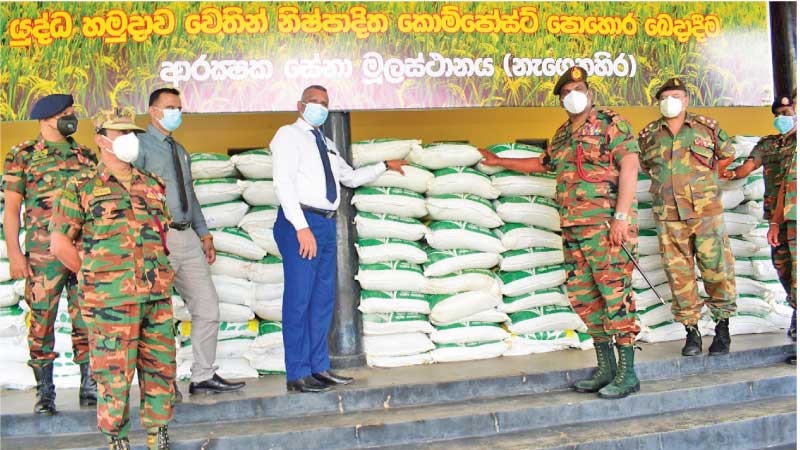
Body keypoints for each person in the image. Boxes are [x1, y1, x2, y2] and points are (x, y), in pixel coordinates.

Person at [479, 66, 641, 399]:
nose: (572, 95)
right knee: (584, 297)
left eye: (578, 88)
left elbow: (630, 164)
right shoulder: (563, 134)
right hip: (574, 229)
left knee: (615, 296)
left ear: (590, 91)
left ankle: (628, 373)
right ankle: (606, 367)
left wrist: (621, 218)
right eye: (565, 92)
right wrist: (500, 162)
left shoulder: (612, 124)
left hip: (606, 227)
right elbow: (542, 164)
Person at [50, 108, 175, 450]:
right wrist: (92, 274)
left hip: (155, 295)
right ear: (101, 138)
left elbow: (161, 235)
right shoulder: (81, 187)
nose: (129, 139)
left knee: (160, 369)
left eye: (132, 133)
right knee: (113, 375)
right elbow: (60, 243)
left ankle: (158, 432)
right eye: (120, 133)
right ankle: (116, 439)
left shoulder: (152, 184)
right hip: (110, 302)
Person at [270, 85, 406, 393]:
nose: (320, 107)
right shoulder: (287, 135)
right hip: (300, 223)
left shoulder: (327, 143)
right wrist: (301, 227)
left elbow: (349, 178)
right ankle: (297, 373)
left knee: (322, 301)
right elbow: (284, 182)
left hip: (327, 225)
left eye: (324, 103)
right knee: (299, 299)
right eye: (314, 102)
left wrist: (384, 166)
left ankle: (319, 367)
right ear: (299, 105)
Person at [134, 88, 244, 397]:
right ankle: (160, 384)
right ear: (153, 111)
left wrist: (204, 234)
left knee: (207, 305)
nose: (176, 112)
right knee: (155, 313)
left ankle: (203, 376)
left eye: (179, 107)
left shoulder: (180, 149)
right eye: (169, 107)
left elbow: (190, 196)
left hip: (186, 236)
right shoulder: (141, 147)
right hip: (157, 236)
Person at [1, 93, 97, 414]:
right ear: (45, 119)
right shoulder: (22, 155)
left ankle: (89, 384)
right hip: (43, 256)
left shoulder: (85, 155)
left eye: (72, 112)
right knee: (42, 322)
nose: (72, 117)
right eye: (65, 113)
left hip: (81, 252)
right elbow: (12, 210)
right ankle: (45, 392)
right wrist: (15, 253)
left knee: (86, 318)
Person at [637, 77, 737, 357]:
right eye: (666, 96)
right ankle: (691, 333)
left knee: (717, 269)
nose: (671, 100)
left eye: (677, 95)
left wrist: (706, 179)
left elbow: (727, 155)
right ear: (659, 101)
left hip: (706, 213)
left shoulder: (707, 127)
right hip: (669, 216)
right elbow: (646, 166)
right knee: (679, 275)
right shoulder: (648, 135)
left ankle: (722, 328)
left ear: (687, 100)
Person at [724, 93, 796, 338]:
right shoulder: (769, 144)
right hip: (776, 217)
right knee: (782, 267)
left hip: (794, 215)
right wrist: (726, 174)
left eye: (786, 114)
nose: (781, 119)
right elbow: (747, 168)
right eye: (778, 115)